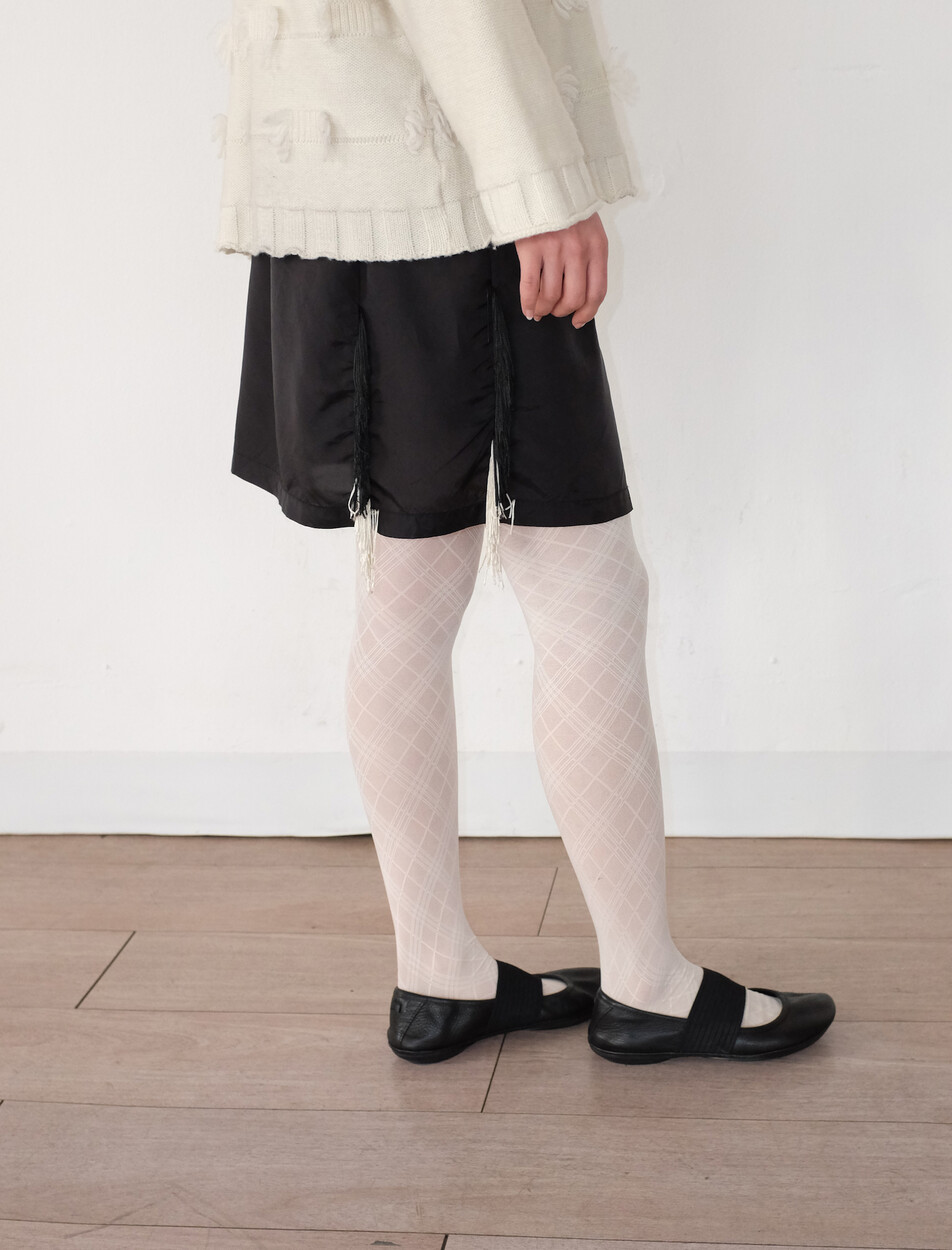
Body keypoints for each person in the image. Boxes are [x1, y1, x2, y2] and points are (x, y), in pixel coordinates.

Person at [214, 0, 835, 1064]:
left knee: (411, 587)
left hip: (341, 190)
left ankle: (439, 972)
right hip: (452, 195)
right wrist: (540, 191)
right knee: (583, 579)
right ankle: (647, 983)